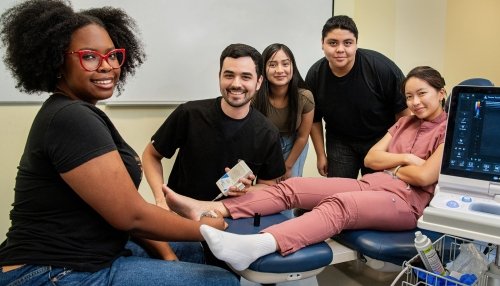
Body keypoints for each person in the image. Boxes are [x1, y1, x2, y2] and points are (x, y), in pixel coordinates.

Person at [0, 1, 238, 285]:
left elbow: (124, 209)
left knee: (193, 252)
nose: (107, 66)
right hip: (49, 270)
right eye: (89, 56)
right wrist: (208, 228)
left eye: (113, 55)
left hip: (89, 254)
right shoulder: (70, 117)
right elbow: (131, 217)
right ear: (57, 60)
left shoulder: (81, 112)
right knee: (219, 280)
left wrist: (170, 255)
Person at [164, 66, 448, 272]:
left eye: (421, 94)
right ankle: (208, 208)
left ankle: (258, 245)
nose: (414, 103)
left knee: (340, 205)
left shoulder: (449, 131)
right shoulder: (403, 123)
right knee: (294, 186)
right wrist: (408, 161)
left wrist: (394, 166)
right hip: (373, 183)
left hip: (407, 203)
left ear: (442, 93)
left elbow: (425, 177)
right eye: (409, 97)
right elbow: (372, 159)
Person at [142, 43, 285, 208]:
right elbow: (151, 155)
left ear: (259, 82)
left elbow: (268, 185)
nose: (236, 84)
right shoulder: (188, 114)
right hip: (180, 215)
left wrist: (247, 191)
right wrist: (161, 200)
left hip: (230, 219)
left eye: (246, 77)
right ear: (219, 76)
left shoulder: (268, 133)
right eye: (229, 75)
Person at [306, 15, 411, 179]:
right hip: (340, 141)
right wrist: (321, 155)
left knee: (376, 195)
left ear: (356, 44)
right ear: (322, 43)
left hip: (380, 139)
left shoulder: (381, 68)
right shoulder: (315, 74)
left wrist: (397, 153)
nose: (340, 49)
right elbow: (314, 119)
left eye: (347, 43)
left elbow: (404, 114)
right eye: (333, 43)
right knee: (339, 194)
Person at [253, 43, 314, 180]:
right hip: (266, 145)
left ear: (293, 66)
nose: (280, 70)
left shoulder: (304, 97)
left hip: (295, 144)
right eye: (273, 65)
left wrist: (288, 166)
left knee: (290, 188)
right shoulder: (254, 97)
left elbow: (303, 136)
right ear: (263, 69)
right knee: (266, 189)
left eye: (285, 64)